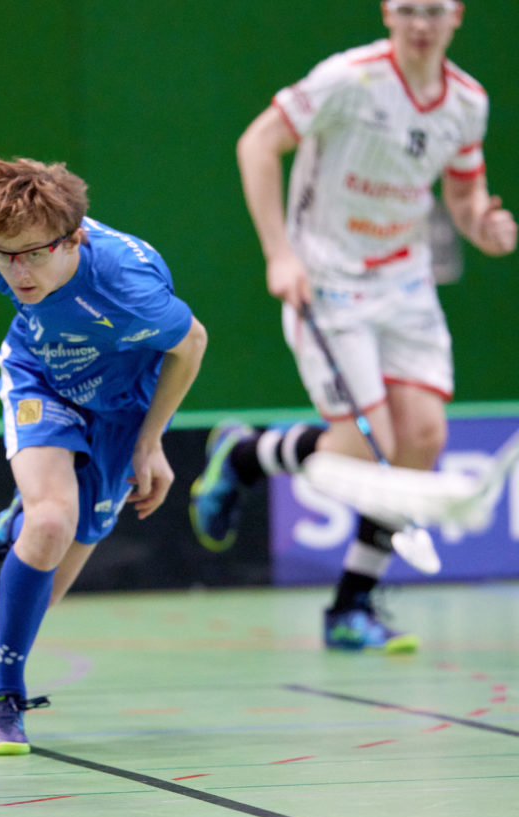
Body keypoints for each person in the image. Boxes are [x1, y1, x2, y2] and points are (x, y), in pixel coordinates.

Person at [192, 0, 516, 652]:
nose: (420, 23)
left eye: (434, 10)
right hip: (328, 277)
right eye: (408, 9)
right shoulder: (348, 78)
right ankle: (245, 453)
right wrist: (280, 253)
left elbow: (461, 190)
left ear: (457, 16)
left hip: (405, 281)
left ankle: (351, 605)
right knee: (367, 445)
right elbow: (257, 142)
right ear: (388, 13)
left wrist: (481, 221)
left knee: (421, 439)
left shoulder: (467, 102)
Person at [0, 158, 208, 756]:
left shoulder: (127, 288)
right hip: (40, 378)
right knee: (53, 523)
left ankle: (20, 517)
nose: (17, 271)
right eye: (4, 254)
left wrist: (151, 442)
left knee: (50, 580)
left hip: (123, 406)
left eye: (33, 255)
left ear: (72, 238)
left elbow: (192, 344)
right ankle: (4, 699)